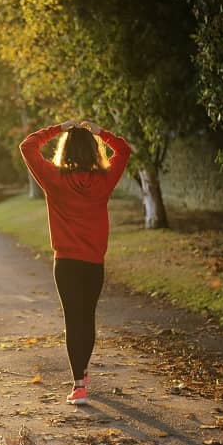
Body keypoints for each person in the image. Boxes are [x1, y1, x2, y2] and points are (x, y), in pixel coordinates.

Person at [19, 120, 131, 405]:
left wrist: (58, 128)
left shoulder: (54, 178)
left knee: (73, 319)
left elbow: (27, 146)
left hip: (66, 263)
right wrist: (100, 132)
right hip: (93, 262)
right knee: (87, 317)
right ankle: (82, 371)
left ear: (65, 150)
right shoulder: (104, 180)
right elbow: (124, 150)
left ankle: (79, 384)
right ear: (94, 151)